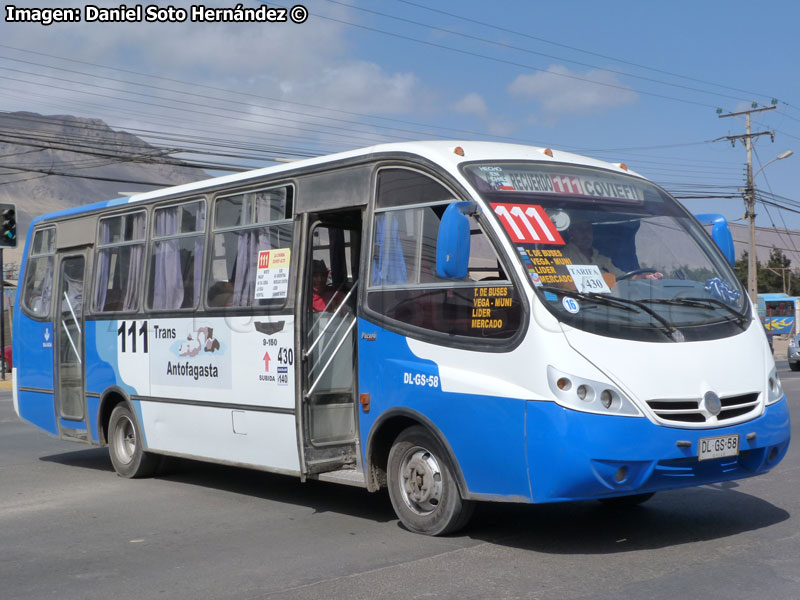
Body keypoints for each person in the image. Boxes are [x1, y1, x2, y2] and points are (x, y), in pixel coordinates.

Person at [561, 218, 663, 282]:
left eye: (588, 229)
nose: (585, 234)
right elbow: (559, 285)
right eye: (580, 229)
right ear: (571, 233)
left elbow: (623, 278)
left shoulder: (602, 259)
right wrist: (607, 280)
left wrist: (644, 277)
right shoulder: (562, 256)